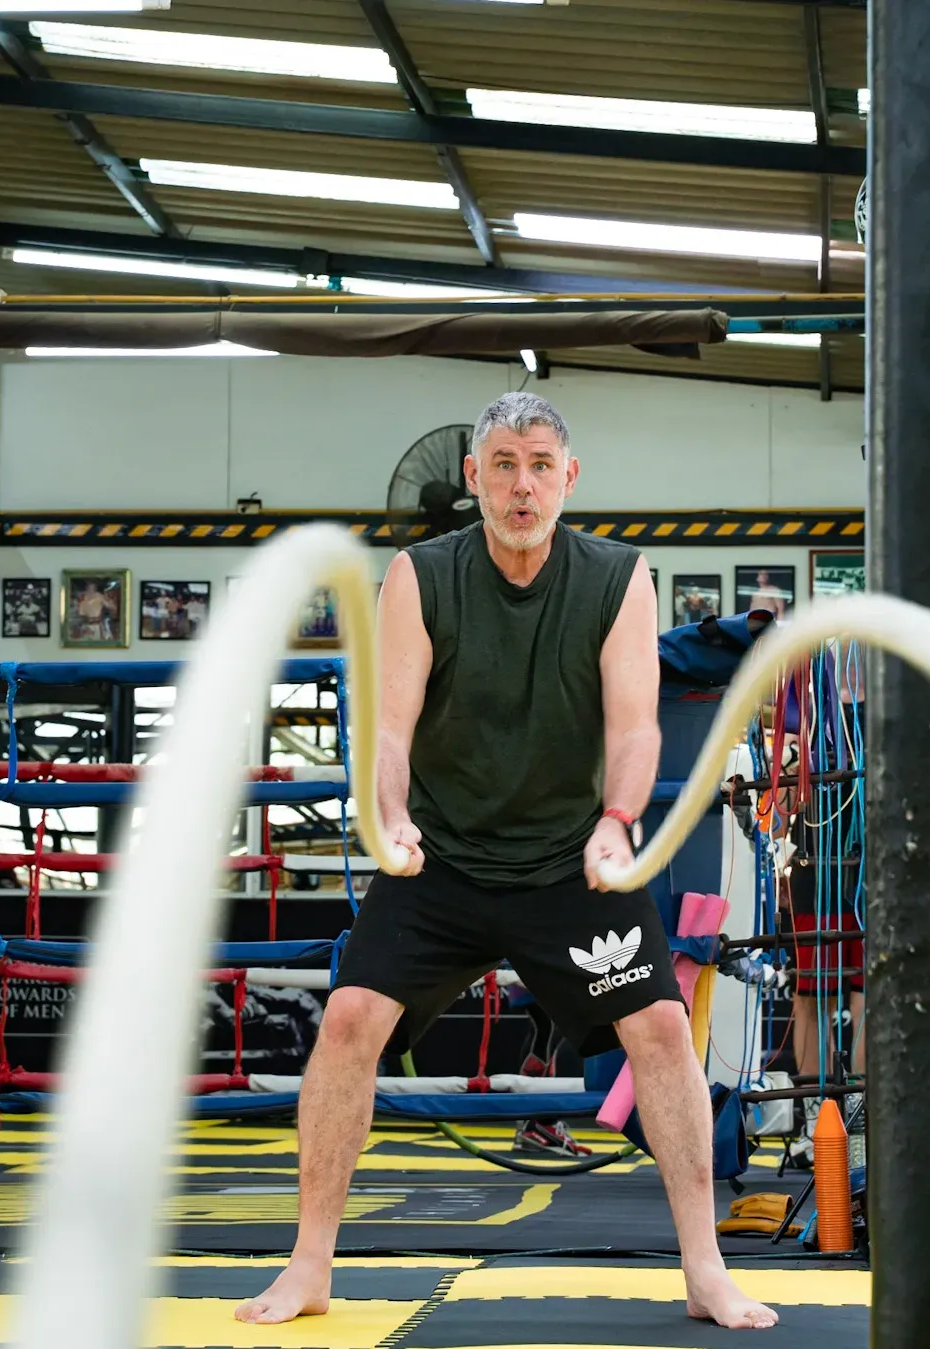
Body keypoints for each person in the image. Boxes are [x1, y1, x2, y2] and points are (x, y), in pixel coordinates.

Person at [237, 393, 776, 1330]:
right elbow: (391, 727)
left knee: (659, 1026)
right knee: (349, 1020)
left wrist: (618, 820)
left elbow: (635, 727)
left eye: (539, 465)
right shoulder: (419, 574)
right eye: (503, 465)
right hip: (441, 861)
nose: (522, 485)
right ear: (474, 477)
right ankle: (309, 1264)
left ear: (569, 478)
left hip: (570, 861)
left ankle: (705, 1268)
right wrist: (391, 816)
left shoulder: (618, 576)